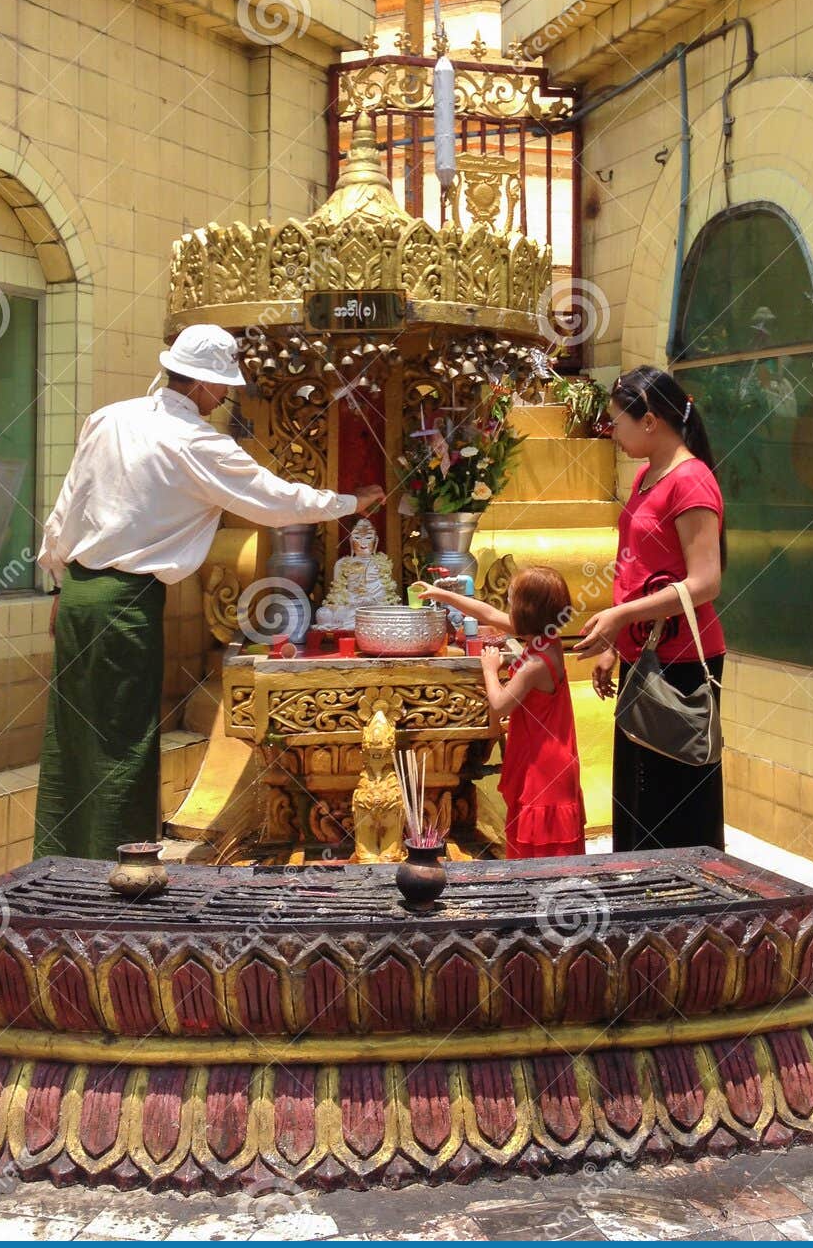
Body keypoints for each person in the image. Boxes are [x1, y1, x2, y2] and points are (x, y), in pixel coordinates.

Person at [35, 324, 384, 861]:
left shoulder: (109, 419)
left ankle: (57, 867)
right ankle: (112, 877)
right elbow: (274, 500)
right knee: (121, 742)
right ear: (199, 386)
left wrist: (60, 581)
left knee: (71, 738)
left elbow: (67, 507)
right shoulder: (196, 443)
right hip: (124, 604)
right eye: (221, 387)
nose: (224, 397)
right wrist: (348, 502)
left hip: (81, 592)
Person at [577, 365, 726, 852]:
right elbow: (635, 567)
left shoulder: (691, 481)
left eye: (617, 421)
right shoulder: (647, 475)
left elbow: (706, 581)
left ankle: (684, 909)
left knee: (675, 802)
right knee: (637, 798)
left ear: (649, 421)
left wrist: (622, 617)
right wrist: (615, 643)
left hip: (682, 659)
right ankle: (640, 906)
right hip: (644, 656)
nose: (612, 432)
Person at [421, 566, 585, 859]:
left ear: (527, 611)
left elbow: (500, 704)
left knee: (542, 847)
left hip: (544, 765)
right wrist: (443, 594)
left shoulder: (536, 662)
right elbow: (489, 614)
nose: (507, 606)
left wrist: (489, 670)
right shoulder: (547, 638)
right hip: (543, 756)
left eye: (512, 599)